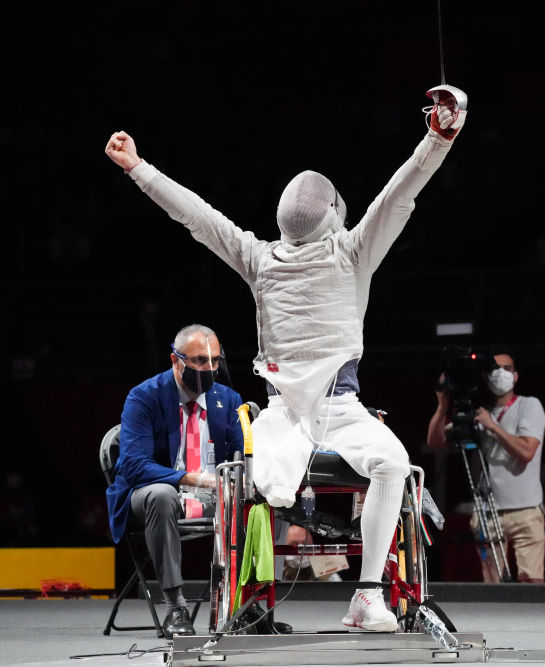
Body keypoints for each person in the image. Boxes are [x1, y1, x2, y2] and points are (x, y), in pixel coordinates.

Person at [104, 87, 466, 631]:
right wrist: (438, 138)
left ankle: (367, 597)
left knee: (393, 465)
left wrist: (139, 168)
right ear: (333, 214)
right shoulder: (344, 251)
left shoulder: (269, 256)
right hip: (286, 415)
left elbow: (198, 217)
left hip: (338, 411)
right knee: (292, 481)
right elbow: (399, 194)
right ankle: (252, 600)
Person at [105, 324, 243, 637]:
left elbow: (243, 458)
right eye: (199, 361)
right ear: (175, 360)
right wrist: (193, 478)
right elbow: (134, 466)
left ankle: (246, 603)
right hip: (154, 496)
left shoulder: (228, 399)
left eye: (215, 361)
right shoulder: (144, 397)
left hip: (213, 497)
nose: (209, 369)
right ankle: (175, 607)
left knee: (255, 494)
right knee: (162, 494)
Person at [427, 352, 545, 582]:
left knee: (532, 582)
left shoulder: (529, 406)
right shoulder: (480, 414)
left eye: (507, 368)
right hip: (487, 512)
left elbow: (526, 452)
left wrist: (493, 427)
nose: (500, 373)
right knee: (493, 584)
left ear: (516, 376)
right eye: (494, 369)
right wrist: (442, 407)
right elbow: (435, 441)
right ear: (485, 377)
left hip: (526, 510)